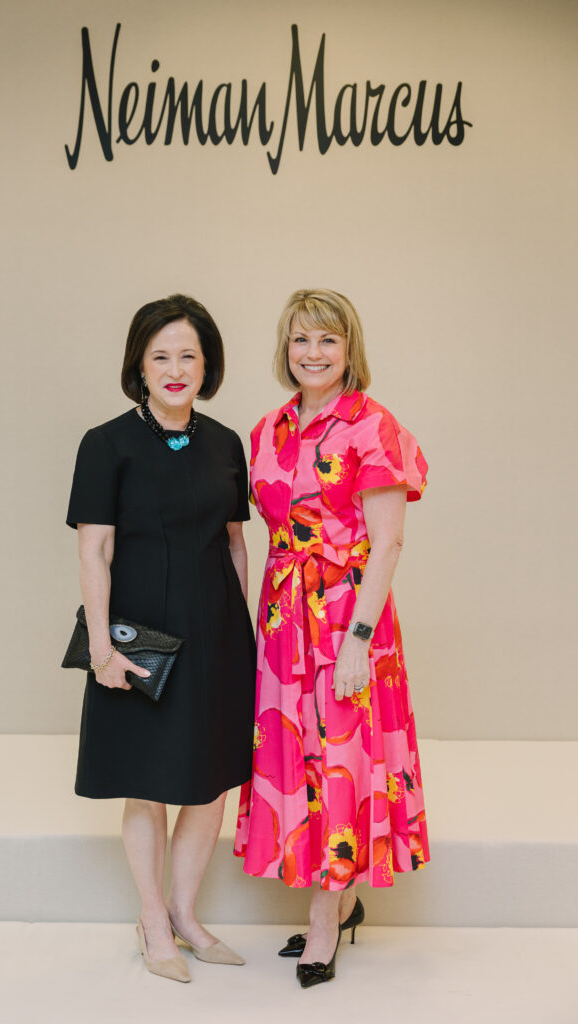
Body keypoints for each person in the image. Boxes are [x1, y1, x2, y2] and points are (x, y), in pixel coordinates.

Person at [234, 288, 429, 988]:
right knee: (303, 759)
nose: (312, 354)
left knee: (342, 762)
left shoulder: (372, 426)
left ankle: (325, 921)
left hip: (348, 615)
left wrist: (357, 639)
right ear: (284, 350)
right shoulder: (268, 428)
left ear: (350, 350)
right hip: (285, 620)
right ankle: (338, 902)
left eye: (326, 340)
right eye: (299, 341)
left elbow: (387, 544)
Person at [66, 294, 255, 983]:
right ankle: (150, 918)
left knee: (211, 784)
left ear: (207, 365)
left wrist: (245, 630)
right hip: (137, 635)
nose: (175, 368)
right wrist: (102, 650)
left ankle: (183, 912)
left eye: (188, 355)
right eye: (160, 356)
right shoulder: (106, 443)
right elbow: (94, 555)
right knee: (145, 784)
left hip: (216, 634)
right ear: (138, 367)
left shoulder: (224, 442)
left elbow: (235, 544)